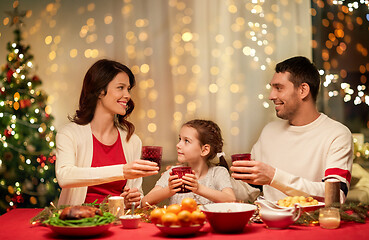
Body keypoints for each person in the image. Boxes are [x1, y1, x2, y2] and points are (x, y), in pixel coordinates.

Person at [231, 56, 353, 203]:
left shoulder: (337, 134)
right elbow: (249, 190)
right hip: (269, 223)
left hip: (312, 223)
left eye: (279, 88)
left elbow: (335, 196)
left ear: (303, 90)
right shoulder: (269, 131)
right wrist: (207, 178)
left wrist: (274, 177)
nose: (271, 96)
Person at [56, 59, 159, 208]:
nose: (127, 95)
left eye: (128, 89)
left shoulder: (132, 141)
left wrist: (132, 200)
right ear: (99, 91)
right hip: (78, 221)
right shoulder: (69, 134)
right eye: (120, 88)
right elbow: (64, 177)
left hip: (117, 221)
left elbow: (137, 196)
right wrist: (122, 171)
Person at [142, 119, 236, 206]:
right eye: (180, 139)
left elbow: (231, 200)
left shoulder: (218, 173)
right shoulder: (172, 173)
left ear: (204, 150)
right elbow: (144, 202)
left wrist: (198, 188)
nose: (178, 145)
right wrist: (169, 190)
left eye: (186, 141)